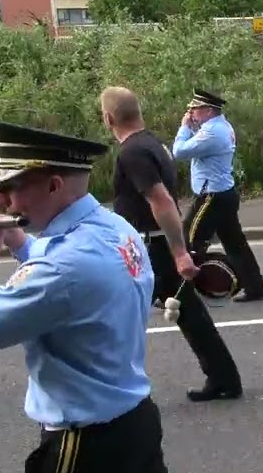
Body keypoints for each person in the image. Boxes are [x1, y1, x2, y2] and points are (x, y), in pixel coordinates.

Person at [0, 120, 233, 473]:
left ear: (54, 185)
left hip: (84, 445)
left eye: (11, 188)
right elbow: (72, 287)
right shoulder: (115, 228)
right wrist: (23, 246)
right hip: (130, 422)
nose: (1, 202)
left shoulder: (63, 268)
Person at [102, 86, 244, 402]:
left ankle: (112, 391)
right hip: (155, 246)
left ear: (108, 118)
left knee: (113, 313)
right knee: (190, 314)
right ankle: (224, 379)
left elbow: (162, 201)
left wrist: (180, 252)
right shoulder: (154, 144)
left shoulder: (132, 152)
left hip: (151, 249)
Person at [173, 89, 263, 302]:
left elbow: (179, 152)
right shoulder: (220, 127)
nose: (190, 113)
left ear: (208, 111)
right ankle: (255, 287)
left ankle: (182, 293)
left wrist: (184, 127)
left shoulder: (212, 133)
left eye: (195, 109)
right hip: (223, 193)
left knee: (189, 240)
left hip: (211, 197)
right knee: (235, 244)